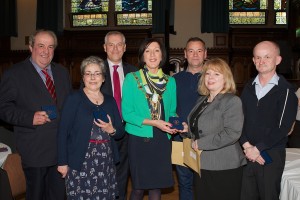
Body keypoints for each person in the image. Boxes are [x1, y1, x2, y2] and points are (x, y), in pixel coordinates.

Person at [0, 29, 72, 200]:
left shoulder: (62, 72)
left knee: (59, 196)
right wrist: (29, 117)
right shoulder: (14, 74)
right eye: (41, 46)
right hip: (35, 149)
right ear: (31, 47)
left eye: (50, 46)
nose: (45, 51)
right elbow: (3, 108)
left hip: (60, 149)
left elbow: (69, 106)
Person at [57, 56, 125, 199]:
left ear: (103, 78)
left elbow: (120, 132)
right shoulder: (74, 98)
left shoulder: (110, 101)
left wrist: (111, 130)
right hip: (80, 161)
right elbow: (62, 132)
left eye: (97, 73)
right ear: (83, 78)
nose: (93, 77)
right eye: (88, 73)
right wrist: (62, 162)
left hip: (105, 162)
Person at [240, 41, 298, 200]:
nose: (261, 61)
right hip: (246, 153)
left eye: (267, 57)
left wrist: (257, 149)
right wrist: (247, 146)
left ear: (278, 60)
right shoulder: (248, 87)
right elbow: (239, 120)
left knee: (268, 196)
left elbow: (284, 128)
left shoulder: (286, 91)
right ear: (253, 60)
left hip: (271, 155)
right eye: (258, 57)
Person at [183, 58, 246, 200]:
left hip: (224, 165)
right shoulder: (202, 100)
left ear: (226, 78)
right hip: (201, 163)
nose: (210, 77)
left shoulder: (232, 101)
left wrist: (201, 143)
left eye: (216, 74)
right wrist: (186, 129)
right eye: (208, 73)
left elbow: (232, 133)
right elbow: (199, 128)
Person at [122, 38, 177, 200]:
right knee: (138, 188)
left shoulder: (170, 81)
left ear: (162, 56)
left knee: (156, 188)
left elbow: (172, 111)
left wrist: (175, 124)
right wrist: (154, 122)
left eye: (156, 50)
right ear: (142, 56)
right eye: (148, 51)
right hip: (139, 139)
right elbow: (127, 113)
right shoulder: (132, 79)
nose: (152, 55)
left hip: (161, 139)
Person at [101, 31, 137, 200]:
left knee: (123, 176)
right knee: (103, 176)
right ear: (104, 47)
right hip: (103, 132)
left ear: (124, 48)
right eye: (111, 44)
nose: (115, 48)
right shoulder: (95, 71)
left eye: (119, 44)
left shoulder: (135, 73)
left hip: (128, 131)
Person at [173, 37, 207, 200]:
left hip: (207, 140)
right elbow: (170, 109)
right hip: (181, 140)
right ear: (185, 54)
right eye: (191, 51)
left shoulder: (212, 78)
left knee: (204, 182)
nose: (195, 55)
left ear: (205, 54)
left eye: (199, 51)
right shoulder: (174, 80)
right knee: (184, 182)